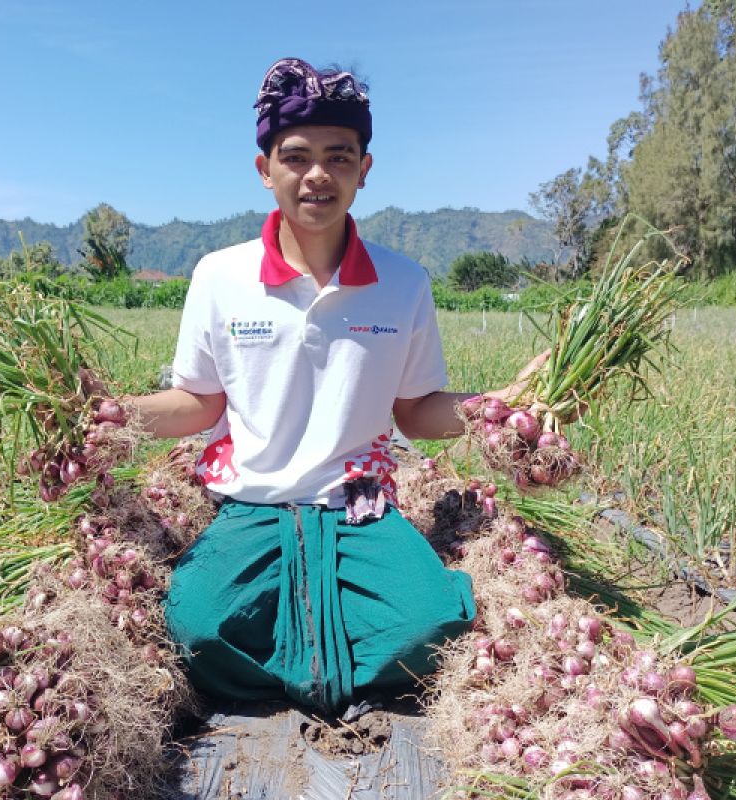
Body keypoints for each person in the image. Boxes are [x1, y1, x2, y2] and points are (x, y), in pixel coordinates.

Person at [132, 57, 547, 713]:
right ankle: (323, 658)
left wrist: (501, 407)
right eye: (296, 157)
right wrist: (108, 414)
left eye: (339, 156)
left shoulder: (403, 281)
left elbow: (415, 412)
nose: (317, 174)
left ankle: (302, 659)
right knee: (197, 628)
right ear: (265, 169)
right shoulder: (220, 276)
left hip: (360, 494)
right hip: (253, 493)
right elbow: (199, 403)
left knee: (430, 625)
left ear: (364, 169)